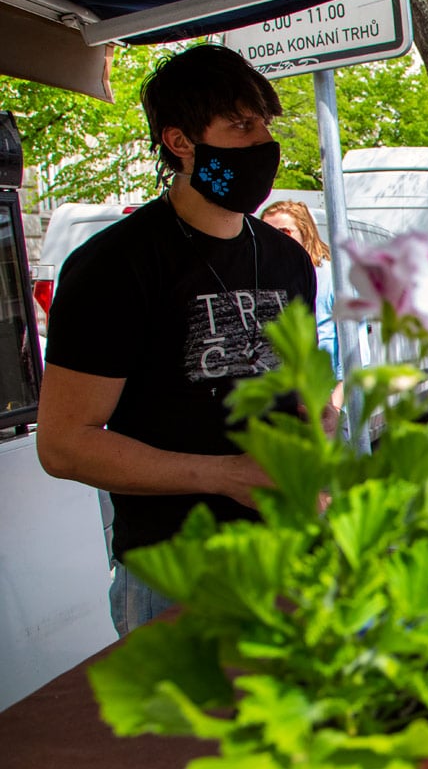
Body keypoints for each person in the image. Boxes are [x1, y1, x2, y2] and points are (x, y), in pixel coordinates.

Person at [37, 44, 316, 637]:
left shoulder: (288, 259)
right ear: (180, 142)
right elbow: (64, 446)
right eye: (240, 125)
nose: (263, 143)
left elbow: (299, 394)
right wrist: (225, 474)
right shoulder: (114, 266)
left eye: (264, 123)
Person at [261, 200, 342, 398]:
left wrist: (334, 409)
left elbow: (353, 358)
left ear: (305, 233)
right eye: (267, 232)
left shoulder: (333, 277)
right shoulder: (262, 279)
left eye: (284, 232)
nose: (275, 240)